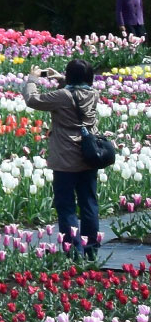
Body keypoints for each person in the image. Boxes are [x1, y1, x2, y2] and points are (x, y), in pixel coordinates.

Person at [25, 59, 103, 255]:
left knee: (66, 205)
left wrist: (32, 79)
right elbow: (75, 93)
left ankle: (73, 251)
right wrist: (62, 79)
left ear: (70, 76)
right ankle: (91, 249)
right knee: (89, 203)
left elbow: (32, 100)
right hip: (89, 155)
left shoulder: (62, 96)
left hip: (65, 159)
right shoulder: (94, 94)